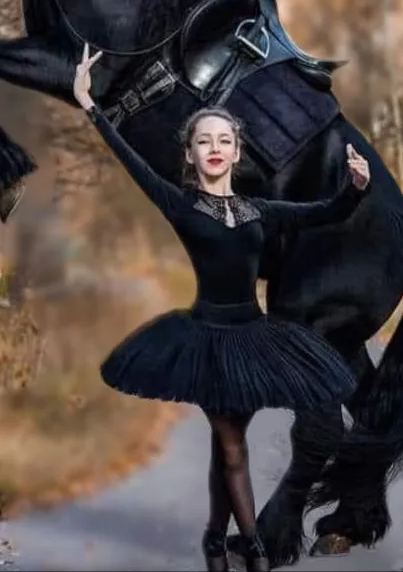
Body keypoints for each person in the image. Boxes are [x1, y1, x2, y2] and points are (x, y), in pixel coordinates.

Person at [73, 43, 371, 572]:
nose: (214, 147)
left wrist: (355, 187)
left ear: (236, 151)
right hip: (207, 339)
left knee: (226, 444)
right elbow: (130, 159)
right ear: (190, 155)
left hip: (255, 339)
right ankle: (253, 550)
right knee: (233, 445)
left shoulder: (261, 209)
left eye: (224, 140)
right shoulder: (180, 204)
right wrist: (89, 104)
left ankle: (215, 536)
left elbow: (325, 212)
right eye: (204, 140)